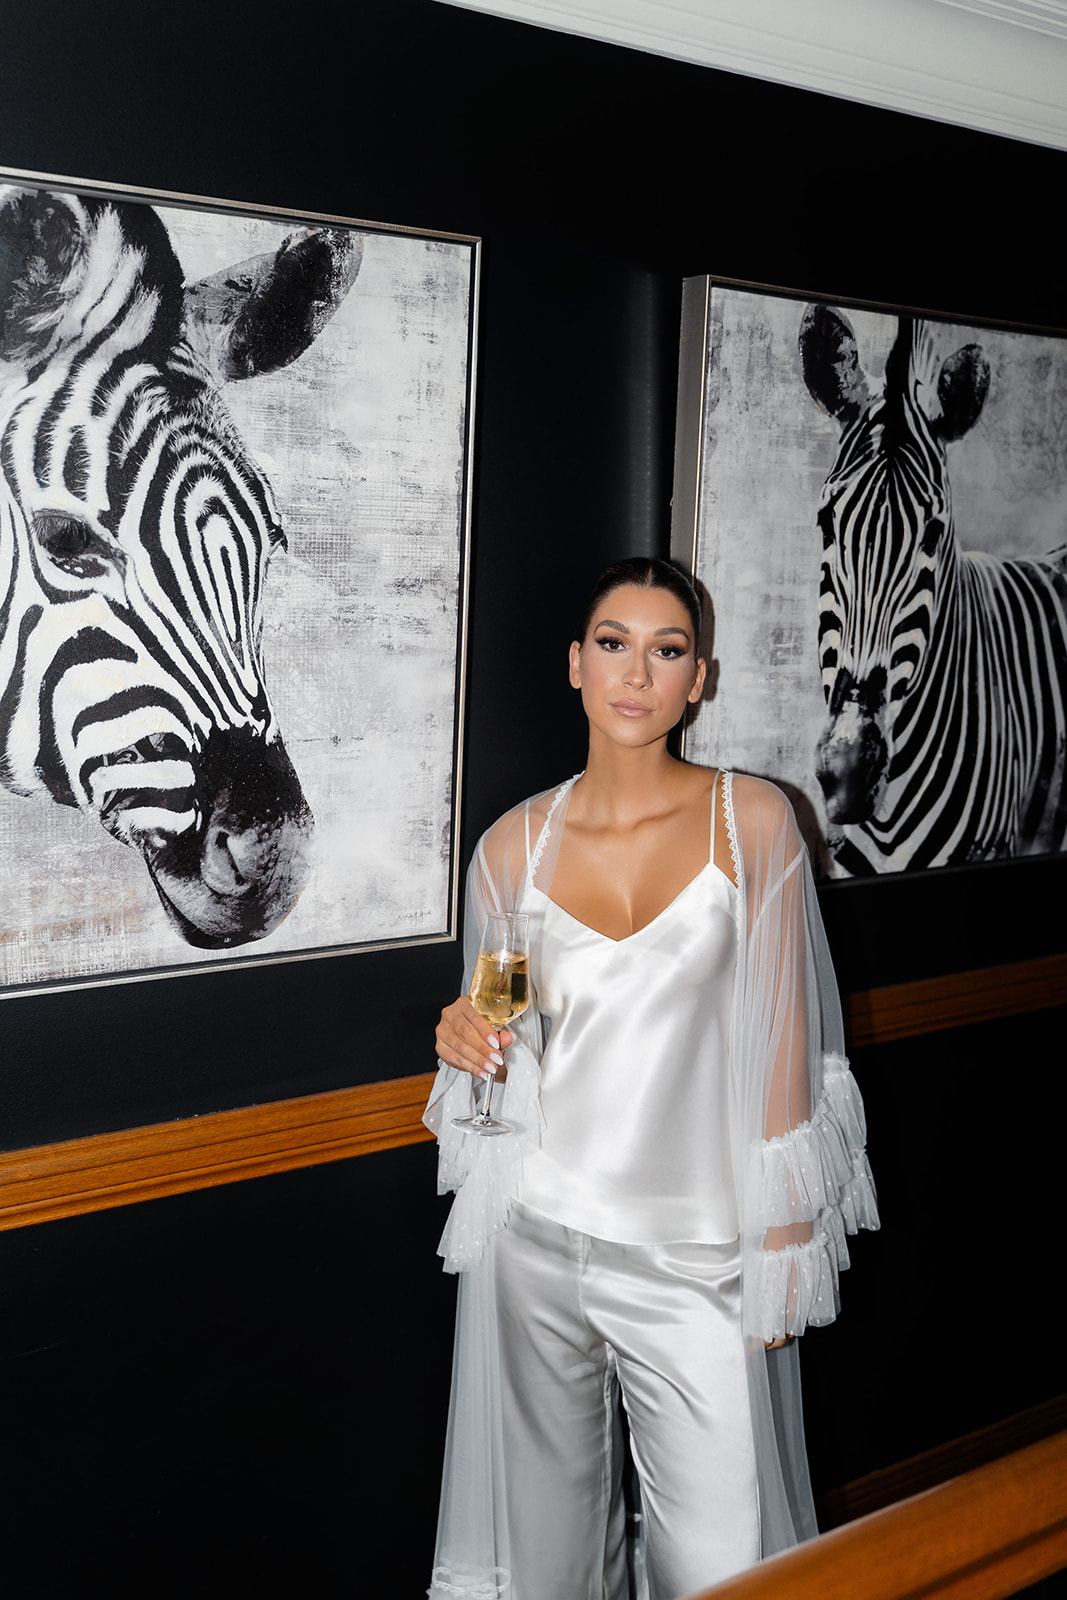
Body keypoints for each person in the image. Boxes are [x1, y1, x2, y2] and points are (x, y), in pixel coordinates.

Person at [425, 557, 878, 1600]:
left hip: (699, 1261)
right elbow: (500, 1035)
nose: (636, 673)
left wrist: (780, 1251)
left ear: (697, 678)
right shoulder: (512, 848)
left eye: (665, 650)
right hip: (535, 1245)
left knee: (722, 1565)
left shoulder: (752, 822)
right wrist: (461, 1036)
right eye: (613, 644)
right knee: (545, 1563)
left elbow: (786, 1052)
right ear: (575, 665)